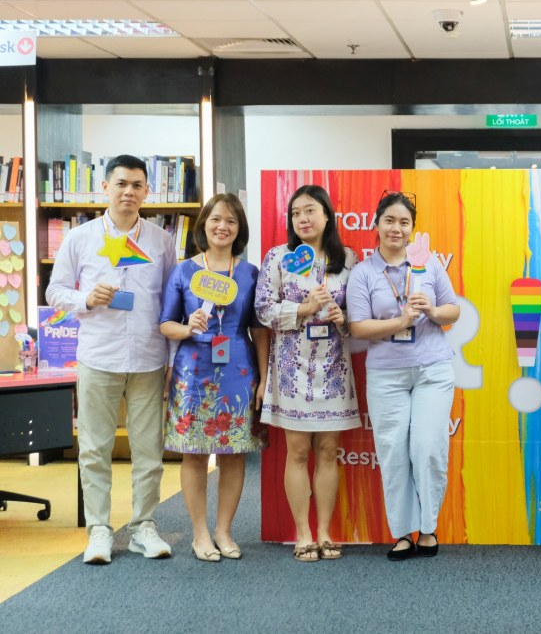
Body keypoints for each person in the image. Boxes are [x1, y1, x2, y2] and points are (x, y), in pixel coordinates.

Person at [46, 154, 176, 564]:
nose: (129, 192)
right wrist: (84, 298)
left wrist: (172, 359)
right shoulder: (80, 237)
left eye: (137, 185)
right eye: (121, 184)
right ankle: (99, 529)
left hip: (149, 359)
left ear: (146, 191)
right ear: (105, 187)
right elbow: (54, 292)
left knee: (148, 449)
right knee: (95, 448)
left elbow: (171, 302)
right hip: (98, 356)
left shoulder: (161, 240)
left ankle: (142, 526)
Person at [346, 191, 460, 561]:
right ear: (376, 224)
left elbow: (453, 311)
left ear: (413, 228)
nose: (397, 228)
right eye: (390, 220)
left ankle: (428, 527)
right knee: (393, 452)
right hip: (386, 374)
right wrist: (401, 321)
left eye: (404, 222)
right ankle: (402, 534)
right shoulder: (363, 272)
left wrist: (433, 310)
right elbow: (358, 329)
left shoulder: (429, 265)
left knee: (427, 448)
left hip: (433, 368)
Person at [159, 194, 269, 562]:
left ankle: (224, 530)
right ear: (203, 224)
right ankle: (200, 533)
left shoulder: (250, 272)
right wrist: (187, 327)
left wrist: (264, 380)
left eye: (232, 221)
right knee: (194, 455)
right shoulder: (184, 270)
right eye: (216, 219)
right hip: (193, 371)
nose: (223, 226)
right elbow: (165, 325)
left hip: (239, 369)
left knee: (234, 455)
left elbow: (260, 330)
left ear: (240, 229)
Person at [255, 184, 360, 562]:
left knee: (328, 450)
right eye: (296, 212)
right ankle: (303, 534)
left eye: (311, 210)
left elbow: (359, 319)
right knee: (297, 452)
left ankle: (326, 532)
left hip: (332, 367)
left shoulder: (347, 258)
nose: (303, 218)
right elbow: (263, 310)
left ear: (327, 215)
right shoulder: (279, 257)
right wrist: (302, 309)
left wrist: (343, 318)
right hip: (291, 366)